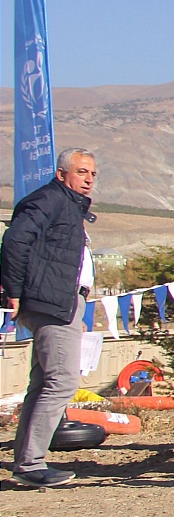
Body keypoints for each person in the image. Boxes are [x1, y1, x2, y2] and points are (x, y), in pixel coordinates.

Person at [2, 148, 99, 488]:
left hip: (65, 302)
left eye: (92, 174)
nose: (88, 179)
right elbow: (15, 241)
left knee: (44, 382)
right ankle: (31, 463)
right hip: (50, 301)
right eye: (81, 172)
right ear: (62, 175)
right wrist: (13, 290)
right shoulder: (48, 200)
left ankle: (27, 460)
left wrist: (78, 307)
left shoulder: (69, 207)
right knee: (62, 381)